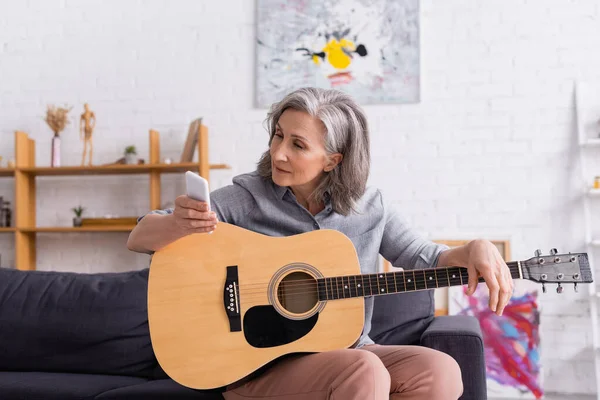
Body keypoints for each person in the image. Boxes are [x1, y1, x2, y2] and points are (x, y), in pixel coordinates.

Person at [127, 87, 514, 400]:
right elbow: (139, 236)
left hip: (351, 352)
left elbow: (426, 257)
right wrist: (178, 224)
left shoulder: (369, 208)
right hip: (259, 364)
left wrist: (475, 248)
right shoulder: (247, 198)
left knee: (440, 371)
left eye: (298, 145)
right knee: (364, 371)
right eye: (278, 135)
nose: (277, 152)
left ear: (332, 160)